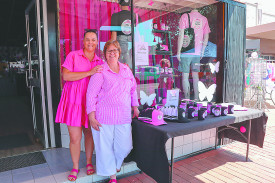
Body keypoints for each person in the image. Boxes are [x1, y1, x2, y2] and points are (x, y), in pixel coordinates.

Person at [86, 40, 139, 183]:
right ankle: (112, 177)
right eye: (109, 51)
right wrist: (91, 117)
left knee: (125, 146)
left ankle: (115, 165)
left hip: (123, 116)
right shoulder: (100, 71)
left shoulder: (126, 69)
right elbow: (91, 95)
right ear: (105, 54)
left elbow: (133, 89)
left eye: (115, 50)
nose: (112, 53)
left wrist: (135, 106)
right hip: (104, 117)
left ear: (119, 53)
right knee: (105, 148)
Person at [55, 29, 104, 181]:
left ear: (97, 42)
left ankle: (89, 163)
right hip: (74, 102)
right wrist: (89, 72)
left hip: (90, 104)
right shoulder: (73, 56)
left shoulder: (100, 61)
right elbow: (66, 75)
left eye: (93, 40)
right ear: (83, 41)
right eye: (88, 39)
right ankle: (75, 167)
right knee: (75, 137)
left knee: (89, 134)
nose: (90, 42)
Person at [177, 9, 210, 100]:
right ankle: (196, 98)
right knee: (196, 77)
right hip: (197, 53)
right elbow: (206, 37)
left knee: (185, 76)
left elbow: (181, 35)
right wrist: (202, 51)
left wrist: (178, 51)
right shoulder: (204, 19)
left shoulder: (185, 16)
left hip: (186, 51)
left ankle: (187, 99)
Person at [111, 0, 139, 69]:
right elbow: (137, 33)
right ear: (129, 5)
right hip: (132, 44)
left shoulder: (115, 16)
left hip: (120, 43)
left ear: (119, 5)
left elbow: (114, 36)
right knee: (130, 68)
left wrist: (111, 49)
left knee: (119, 67)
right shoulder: (135, 16)